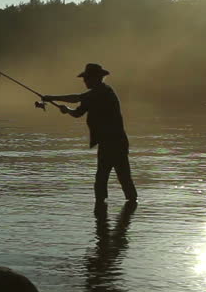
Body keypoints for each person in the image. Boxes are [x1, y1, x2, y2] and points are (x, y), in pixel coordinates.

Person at [41, 63, 138, 207]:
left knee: (111, 177)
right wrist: (67, 110)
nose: (84, 81)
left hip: (114, 141)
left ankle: (106, 211)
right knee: (109, 177)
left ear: (97, 78)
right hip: (108, 142)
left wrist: (52, 98)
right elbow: (78, 113)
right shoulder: (93, 95)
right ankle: (120, 209)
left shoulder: (103, 91)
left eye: (87, 78)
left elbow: (77, 98)